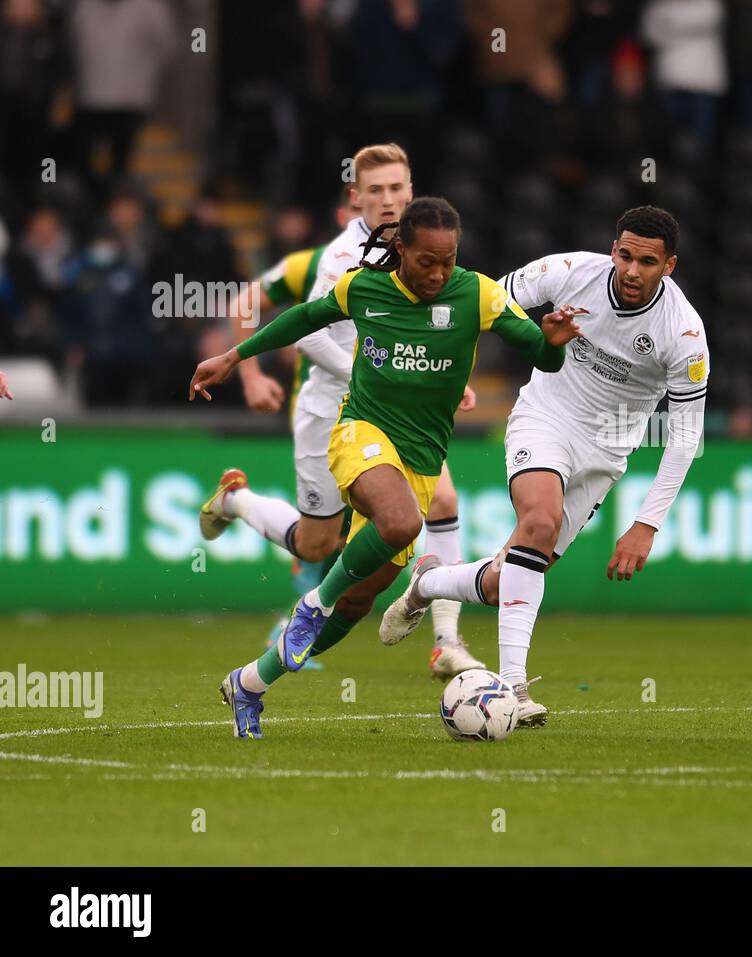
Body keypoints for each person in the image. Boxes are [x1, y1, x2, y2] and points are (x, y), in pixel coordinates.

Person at [188, 196, 582, 738]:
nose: (439, 273)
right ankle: (311, 600)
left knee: (358, 599)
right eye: (427, 262)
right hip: (362, 433)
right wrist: (234, 358)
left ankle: (249, 685)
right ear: (401, 249)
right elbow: (303, 319)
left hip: (419, 461)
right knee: (399, 526)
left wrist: (554, 345)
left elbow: (542, 353)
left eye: (449, 261)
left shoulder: (480, 294)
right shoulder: (362, 287)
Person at [378, 206, 710, 728]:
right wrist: (448, 369)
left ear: (668, 266)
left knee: (505, 579)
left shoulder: (685, 335)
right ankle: (512, 687)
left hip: (604, 455)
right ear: (613, 249)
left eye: (646, 262)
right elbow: (484, 302)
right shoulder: (570, 272)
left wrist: (646, 525)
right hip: (545, 419)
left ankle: (429, 583)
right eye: (623, 255)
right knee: (540, 521)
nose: (630, 270)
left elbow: (686, 438)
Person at [197, 145, 484, 677]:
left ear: (412, 191)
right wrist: (254, 370)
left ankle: (446, 641)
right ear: (356, 199)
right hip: (332, 411)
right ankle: (236, 501)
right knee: (316, 543)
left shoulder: (423, 252)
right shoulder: (337, 259)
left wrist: (438, 381)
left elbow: (435, 330)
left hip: (393, 414)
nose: (389, 200)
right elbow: (308, 336)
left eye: (398, 188)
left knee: (441, 498)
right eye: (376, 191)